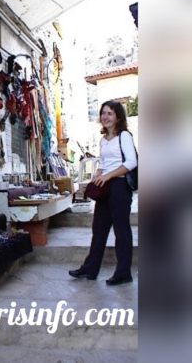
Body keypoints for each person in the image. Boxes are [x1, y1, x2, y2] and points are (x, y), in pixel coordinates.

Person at [69, 100, 137, 286]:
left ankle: (123, 273)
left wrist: (107, 177)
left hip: (120, 187)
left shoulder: (124, 136)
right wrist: (99, 172)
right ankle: (90, 269)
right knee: (98, 230)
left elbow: (131, 162)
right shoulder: (103, 140)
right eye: (103, 113)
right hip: (106, 188)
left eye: (110, 113)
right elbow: (105, 162)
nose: (106, 117)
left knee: (121, 230)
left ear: (118, 117)